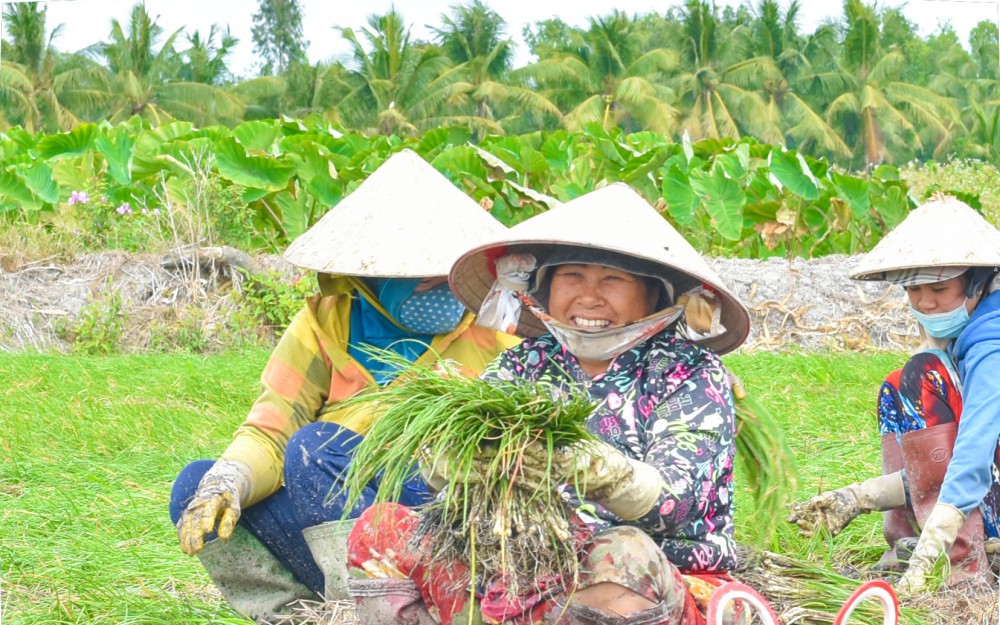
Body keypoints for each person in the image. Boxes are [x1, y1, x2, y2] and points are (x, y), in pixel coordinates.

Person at [343, 183, 753, 625]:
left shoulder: (688, 373)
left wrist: (599, 469)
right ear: (544, 288)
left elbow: (677, 504)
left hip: (649, 574)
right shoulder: (525, 363)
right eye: (572, 275)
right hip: (522, 564)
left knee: (621, 553)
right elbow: (452, 459)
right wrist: (454, 460)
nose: (589, 297)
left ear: (656, 295)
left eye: (613, 279)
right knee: (381, 528)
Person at [168, 150, 520, 623]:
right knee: (197, 486)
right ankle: (302, 614)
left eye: (448, 276)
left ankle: (375, 612)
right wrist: (230, 480)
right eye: (422, 278)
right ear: (369, 276)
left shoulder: (495, 331)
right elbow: (272, 430)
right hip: (333, 519)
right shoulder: (322, 325)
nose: (441, 289)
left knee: (317, 448)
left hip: (442, 519)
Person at [787, 195, 1000, 592]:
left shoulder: (992, 342)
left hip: (988, 488)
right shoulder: (967, 330)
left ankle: (962, 574)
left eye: (939, 287)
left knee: (922, 376)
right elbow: (939, 462)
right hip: (988, 486)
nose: (924, 301)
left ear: (976, 281)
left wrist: (934, 550)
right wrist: (862, 496)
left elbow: (974, 456)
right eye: (914, 289)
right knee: (895, 383)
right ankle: (905, 543)